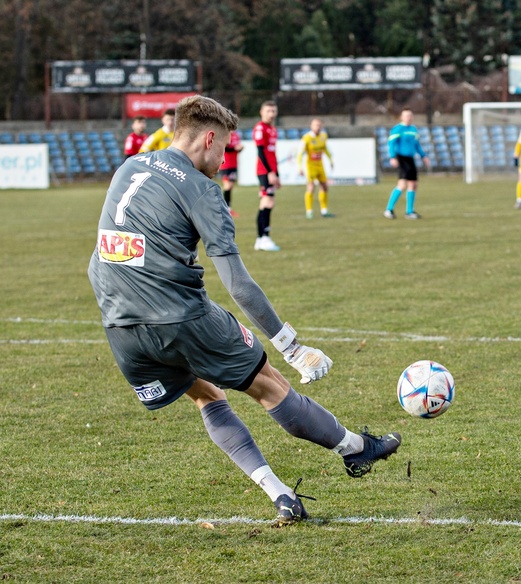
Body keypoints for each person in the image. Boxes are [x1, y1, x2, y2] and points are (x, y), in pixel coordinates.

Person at [88, 95, 401, 526]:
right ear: (209, 137)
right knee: (270, 384)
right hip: (180, 315)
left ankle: (280, 495)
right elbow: (238, 283)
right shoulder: (201, 189)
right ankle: (355, 449)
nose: (225, 158)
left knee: (205, 394)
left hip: (118, 321)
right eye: (226, 147)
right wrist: (292, 347)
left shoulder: (130, 166)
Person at [384, 108, 430, 219]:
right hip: (401, 158)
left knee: (413, 184)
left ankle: (409, 211)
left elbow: (417, 145)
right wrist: (393, 157)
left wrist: (423, 156)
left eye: (410, 115)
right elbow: (391, 144)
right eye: (406, 115)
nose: (409, 118)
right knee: (402, 184)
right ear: (402, 117)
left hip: (410, 158)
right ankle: (389, 209)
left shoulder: (414, 129)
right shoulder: (397, 129)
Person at [253, 101, 281, 251]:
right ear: (261, 112)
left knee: (268, 202)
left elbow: (273, 154)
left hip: (270, 171)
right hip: (264, 171)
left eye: (274, 111)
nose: (271, 114)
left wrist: (277, 174)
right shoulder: (260, 128)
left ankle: (261, 239)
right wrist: (270, 172)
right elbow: (261, 152)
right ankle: (263, 237)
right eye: (269, 111)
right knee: (267, 202)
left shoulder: (272, 129)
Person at [298, 118, 334, 219]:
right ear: (311, 126)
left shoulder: (323, 136)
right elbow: (300, 153)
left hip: (320, 165)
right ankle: (309, 211)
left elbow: (325, 149)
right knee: (311, 187)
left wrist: (331, 160)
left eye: (319, 125)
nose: (317, 127)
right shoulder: (306, 138)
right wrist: (300, 167)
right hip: (310, 166)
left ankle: (324, 210)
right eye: (315, 125)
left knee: (325, 187)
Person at [220, 129, 244, 218]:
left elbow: (236, 148)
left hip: (234, 164)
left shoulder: (236, 135)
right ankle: (225, 209)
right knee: (227, 186)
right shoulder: (225, 134)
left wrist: (240, 148)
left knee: (230, 186)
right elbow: (224, 147)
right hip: (226, 164)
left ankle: (228, 208)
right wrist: (234, 148)